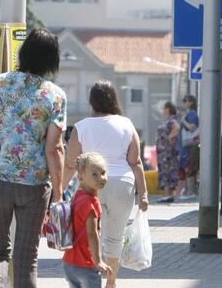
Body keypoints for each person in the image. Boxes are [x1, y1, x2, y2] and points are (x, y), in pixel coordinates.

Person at [0, 27, 66, 288]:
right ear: (51, 60)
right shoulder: (55, 95)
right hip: (34, 185)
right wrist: (58, 193)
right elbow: (54, 149)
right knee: (27, 257)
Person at [64, 80, 149, 288]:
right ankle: (111, 282)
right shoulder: (127, 124)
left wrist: (59, 191)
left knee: (91, 233)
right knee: (115, 236)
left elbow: (70, 163)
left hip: (91, 186)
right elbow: (136, 162)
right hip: (123, 185)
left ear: (92, 101)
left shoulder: (82, 127)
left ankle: (93, 278)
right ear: (114, 98)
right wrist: (144, 194)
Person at [63, 152, 112, 288]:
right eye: (94, 174)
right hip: (86, 265)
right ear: (81, 177)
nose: (101, 178)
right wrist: (98, 261)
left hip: (69, 263)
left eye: (103, 173)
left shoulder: (77, 195)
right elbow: (92, 234)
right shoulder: (91, 204)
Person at [156, 101, 180, 203]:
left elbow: (177, 127)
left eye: (163, 108)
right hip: (165, 151)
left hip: (167, 151)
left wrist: (170, 137)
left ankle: (167, 194)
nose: (162, 111)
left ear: (168, 109)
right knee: (167, 171)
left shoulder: (171, 120)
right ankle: (169, 194)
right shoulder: (169, 120)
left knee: (167, 171)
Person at [177, 94, 200, 198]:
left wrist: (183, 121)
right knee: (187, 167)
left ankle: (191, 192)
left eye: (185, 100)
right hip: (186, 146)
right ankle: (188, 191)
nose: (184, 102)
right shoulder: (190, 114)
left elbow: (192, 127)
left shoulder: (192, 114)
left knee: (189, 168)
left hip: (189, 146)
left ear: (191, 102)